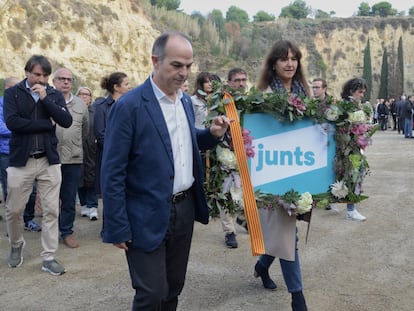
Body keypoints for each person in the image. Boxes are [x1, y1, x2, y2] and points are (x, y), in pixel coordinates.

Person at [101, 31, 230, 310]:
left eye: (188, 66)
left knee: (173, 288)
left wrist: (211, 134)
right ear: (155, 60)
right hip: (144, 214)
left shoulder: (183, 101)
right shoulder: (129, 106)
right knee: (151, 294)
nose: (184, 73)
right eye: (176, 65)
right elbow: (112, 171)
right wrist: (117, 225)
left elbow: (182, 141)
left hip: (183, 210)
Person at [4, 55, 72, 275]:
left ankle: (49, 257)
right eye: (37, 74)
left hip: (48, 160)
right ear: (27, 72)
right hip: (20, 161)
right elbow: (13, 123)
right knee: (13, 210)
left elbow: (66, 121)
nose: (40, 79)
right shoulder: (12, 93)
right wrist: (45, 124)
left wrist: (45, 99)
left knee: (52, 210)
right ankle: (16, 245)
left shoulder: (52, 94)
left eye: (44, 75)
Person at [254, 40, 309, 311]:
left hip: (299, 170)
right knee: (288, 237)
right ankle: (298, 298)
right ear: (273, 64)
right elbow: (256, 134)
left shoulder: (304, 92)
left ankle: (262, 265)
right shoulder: (262, 94)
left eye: (294, 58)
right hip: (273, 173)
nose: (290, 63)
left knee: (286, 234)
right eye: (284, 59)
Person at [53, 68, 89, 248]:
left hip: (73, 159)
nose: (66, 82)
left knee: (68, 198)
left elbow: (85, 130)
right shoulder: (46, 101)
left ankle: (66, 231)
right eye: (62, 79)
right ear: (54, 81)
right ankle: (51, 231)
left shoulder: (81, 105)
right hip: (50, 158)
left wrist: (73, 144)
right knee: (50, 198)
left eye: (69, 79)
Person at [0, 77, 41, 231]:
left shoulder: (26, 102)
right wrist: (23, 128)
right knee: (10, 190)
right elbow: (2, 127)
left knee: (32, 189)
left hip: (26, 151)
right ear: (5, 88)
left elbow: (33, 123)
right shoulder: (1, 104)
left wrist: (23, 126)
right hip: (6, 153)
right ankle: (13, 225)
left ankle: (28, 219)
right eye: (11, 87)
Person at [217, 68, 250, 249]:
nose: (241, 83)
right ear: (229, 82)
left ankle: (242, 218)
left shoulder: (252, 103)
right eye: (237, 80)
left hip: (246, 156)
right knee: (226, 194)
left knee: (244, 194)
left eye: (244, 80)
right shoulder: (220, 103)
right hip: (225, 156)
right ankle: (229, 231)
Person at [93, 71, 131, 196]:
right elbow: (100, 134)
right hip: (109, 158)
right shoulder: (101, 107)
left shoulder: (130, 106)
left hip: (128, 159)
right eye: (126, 84)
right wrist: (119, 150)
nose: (129, 87)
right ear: (116, 87)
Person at [340, 77, 369, 221]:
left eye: (363, 92)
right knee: (355, 175)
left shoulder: (353, 105)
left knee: (355, 174)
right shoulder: (346, 105)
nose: (362, 95)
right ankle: (351, 210)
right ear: (351, 91)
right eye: (360, 92)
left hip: (352, 146)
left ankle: (349, 208)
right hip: (347, 148)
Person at [76, 86, 99, 221]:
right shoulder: (73, 110)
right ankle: (84, 205)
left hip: (92, 148)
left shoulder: (95, 112)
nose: (84, 96)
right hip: (77, 149)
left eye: (87, 94)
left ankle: (93, 206)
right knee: (79, 177)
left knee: (92, 176)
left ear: (91, 98)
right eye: (81, 94)